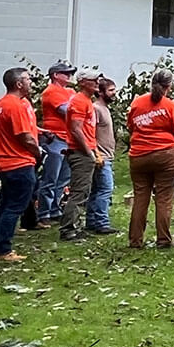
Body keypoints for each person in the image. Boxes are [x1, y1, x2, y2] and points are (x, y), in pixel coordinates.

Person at [127, 69, 174, 249]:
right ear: (169, 86)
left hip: (139, 155)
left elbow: (131, 127)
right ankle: (163, 239)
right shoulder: (170, 106)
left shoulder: (137, 103)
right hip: (166, 155)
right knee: (164, 198)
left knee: (140, 198)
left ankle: (135, 240)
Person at [0, 67, 40, 262]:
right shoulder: (15, 106)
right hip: (18, 163)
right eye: (28, 79)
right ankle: (3, 250)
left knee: (5, 206)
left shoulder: (2, 104)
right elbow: (25, 137)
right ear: (19, 84)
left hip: (5, 164)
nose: (31, 82)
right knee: (14, 208)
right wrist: (38, 152)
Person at [60, 68, 109, 240]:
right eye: (93, 80)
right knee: (79, 192)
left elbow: (88, 132)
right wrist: (89, 153)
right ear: (82, 82)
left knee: (84, 191)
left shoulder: (86, 101)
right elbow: (76, 130)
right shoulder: (79, 101)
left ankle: (76, 226)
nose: (97, 83)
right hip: (80, 153)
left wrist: (95, 151)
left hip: (86, 151)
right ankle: (68, 229)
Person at [31, 61, 77, 229]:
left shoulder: (70, 91)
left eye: (70, 73)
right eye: (66, 73)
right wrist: (78, 106)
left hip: (67, 139)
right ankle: (43, 214)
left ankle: (54, 209)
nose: (69, 76)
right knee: (50, 178)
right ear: (55, 75)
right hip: (55, 139)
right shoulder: (51, 92)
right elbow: (67, 111)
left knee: (64, 178)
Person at [86, 77, 119, 234]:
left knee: (96, 189)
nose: (114, 93)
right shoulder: (96, 109)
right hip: (101, 157)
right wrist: (96, 154)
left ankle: (91, 221)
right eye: (111, 90)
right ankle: (101, 222)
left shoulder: (105, 108)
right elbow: (90, 133)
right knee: (105, 189)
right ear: (100, 92)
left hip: (107, 155)